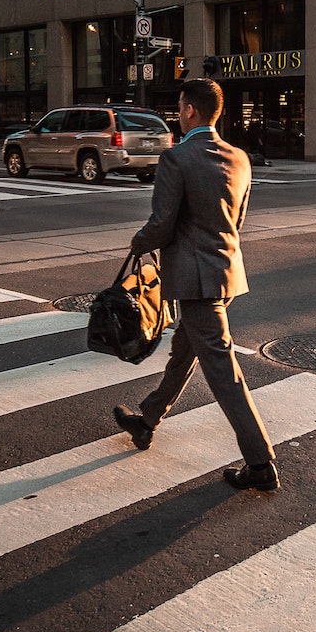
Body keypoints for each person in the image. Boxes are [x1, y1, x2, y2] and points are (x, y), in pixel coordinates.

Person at [113, 78, 279, 491]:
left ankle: (261, 464)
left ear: (190, 110)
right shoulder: (239, 157)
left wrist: (139, 243)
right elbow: (236, 221)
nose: (179, 112)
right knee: (184, 351)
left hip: (194, 277)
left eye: (180, 105)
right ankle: (147, 420)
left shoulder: (177, 158)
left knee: (224, 372)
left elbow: (162, 224)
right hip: (225, 272)